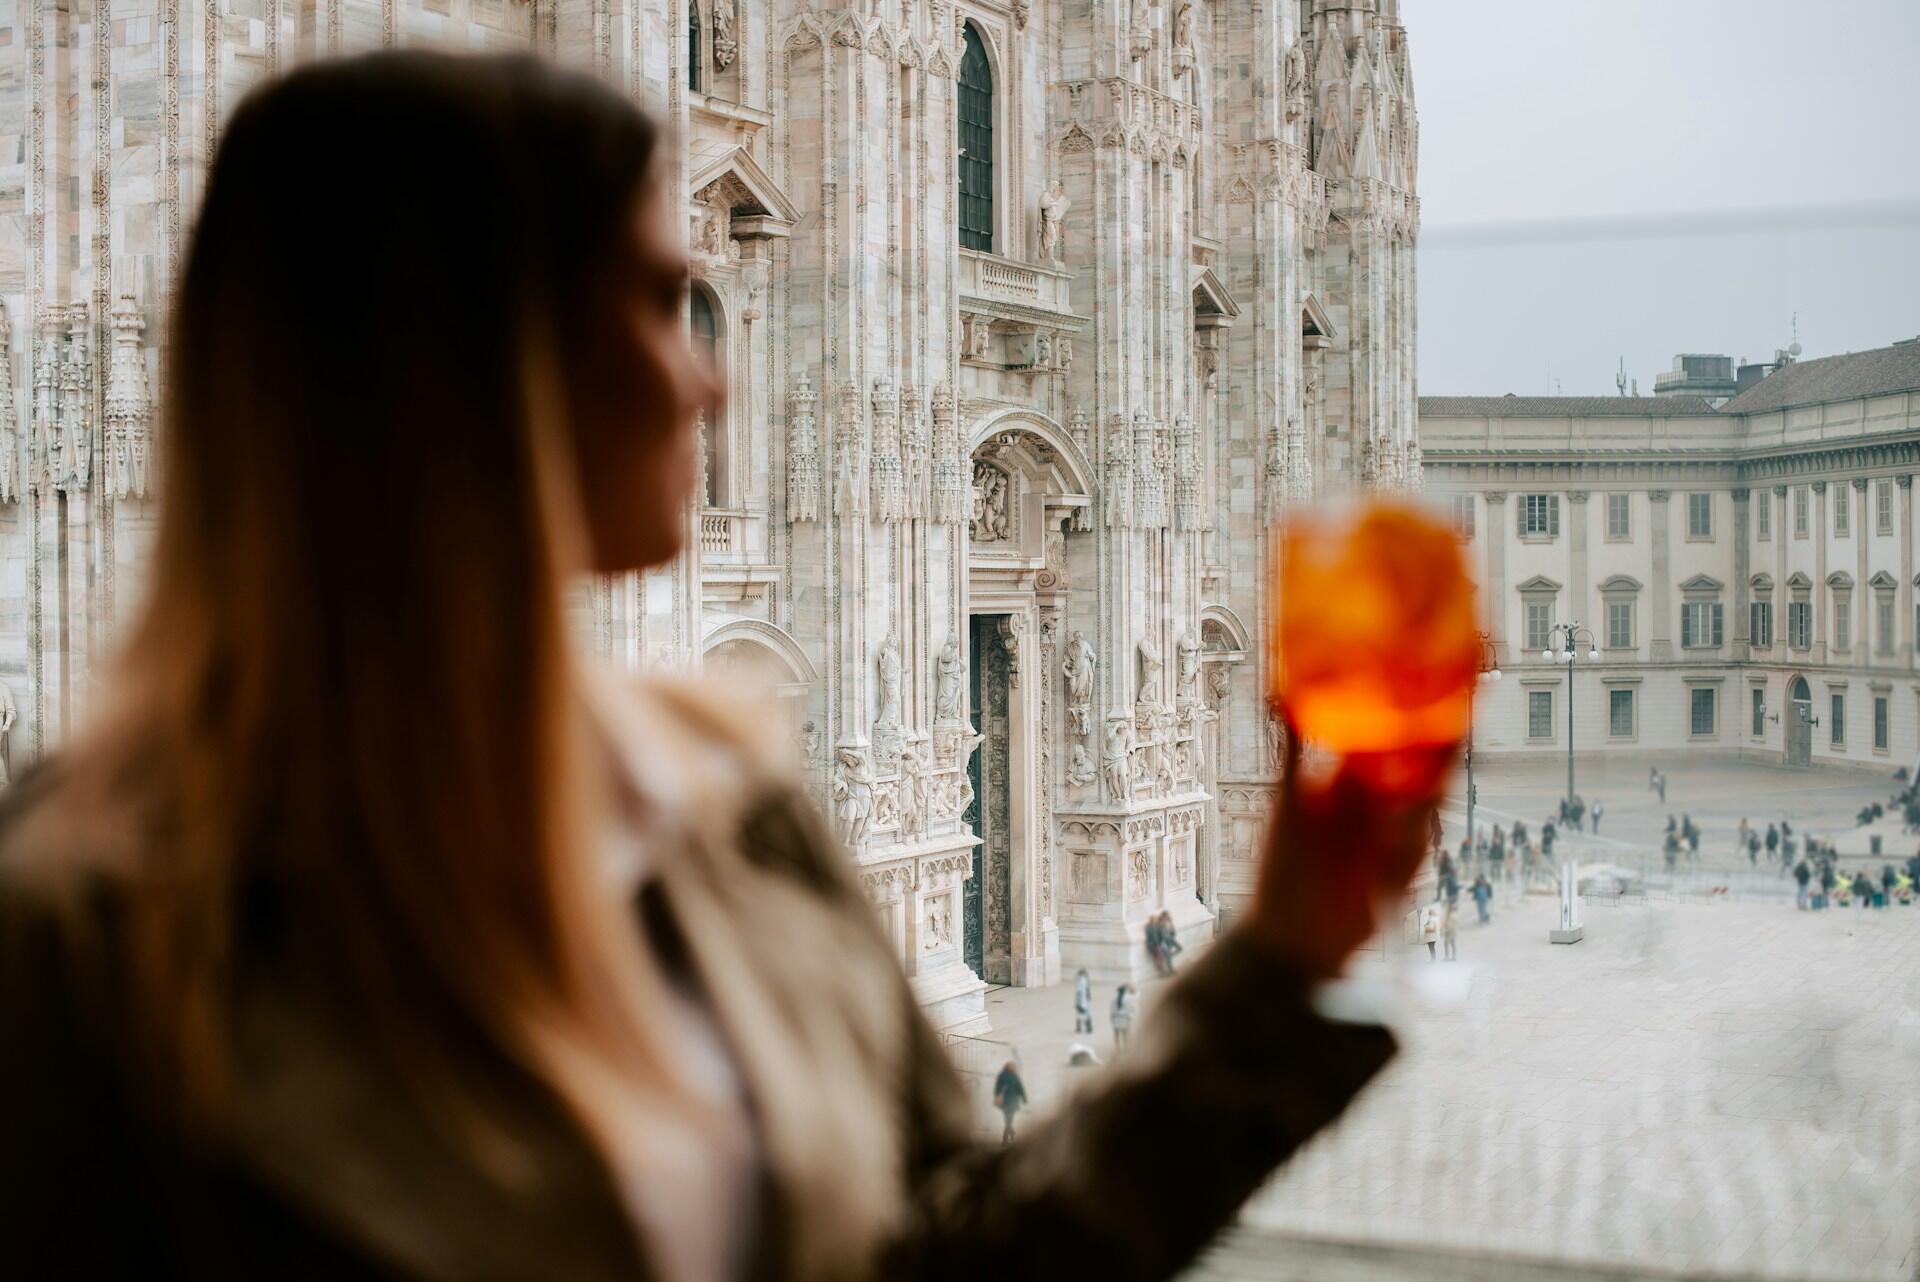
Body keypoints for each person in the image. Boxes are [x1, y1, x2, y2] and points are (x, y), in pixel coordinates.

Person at [0, 53, 1452, 1281]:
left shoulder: (726, 809)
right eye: (651, 302)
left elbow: (958, 1254)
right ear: (452, 362)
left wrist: (1277, 959)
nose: (714, 371)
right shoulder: (95, 925)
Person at [992, 1060, 1028, 1145]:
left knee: (1008, 1120)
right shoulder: (1015, 1076)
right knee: (1009, 1120)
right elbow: (1020, 1089)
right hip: (1012, 1102)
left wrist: (997, 1097)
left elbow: (997, 1089)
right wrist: (1024, 1099)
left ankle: (1010, 1133)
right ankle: (1005, 1139)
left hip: (1004, 1102)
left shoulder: (1001, 1076)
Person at [1110, 983, 1139, 1051]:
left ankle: (1118, 1048)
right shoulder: (1128, 998)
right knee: (1124, 1035)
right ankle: (1125, 1048)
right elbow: (1136, 996)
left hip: (1116, 1018)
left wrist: (1111, 1019)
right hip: (1125, 1018)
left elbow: (1111, 1010)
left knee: (1116, 1034)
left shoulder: (1114, 999)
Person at [1073, 967, 1094, 1034]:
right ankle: (1088, 1028)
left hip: (1082, 1000)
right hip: (1082, 1000)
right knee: (1085, 1014)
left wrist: (1078, 1002)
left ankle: (1080, 1028)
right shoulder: (1082, 980)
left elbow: (1083, 990)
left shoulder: (1081, 980)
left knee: (1080, 1014)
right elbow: (1083, 991)